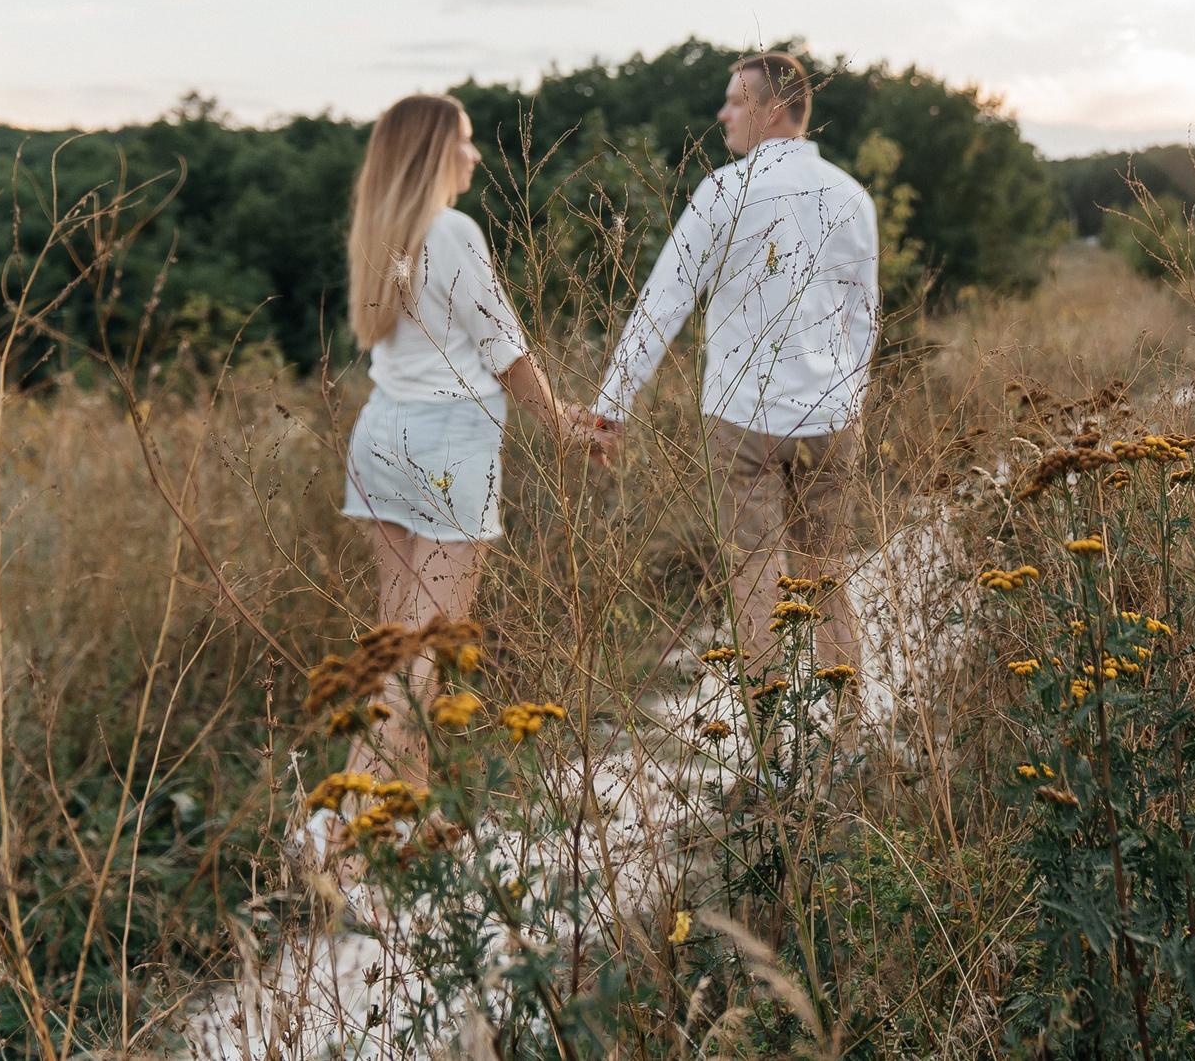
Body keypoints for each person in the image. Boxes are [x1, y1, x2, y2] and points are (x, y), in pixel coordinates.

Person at [336, 93, 609, 791]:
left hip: (382, 437)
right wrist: (557, 423)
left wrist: (559, 412)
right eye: (462, 140)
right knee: (427, 652)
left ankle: (393, 830)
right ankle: (336, 837)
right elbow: (502, 345)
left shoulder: (380, 231)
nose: (474, 153)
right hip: (447, 443)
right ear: (431, 151)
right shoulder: (451, 228)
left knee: (396, 645)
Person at [596, 52, 880, 682]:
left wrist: (611, 408)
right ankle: (848, 751)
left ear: (772, 109)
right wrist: (848, 396)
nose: (722, 113)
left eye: (734, 100)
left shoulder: (723, 191)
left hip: (743, 420)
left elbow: (664, 303)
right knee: (825, 574)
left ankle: (773, 757)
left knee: (752, 575)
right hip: (830, 418)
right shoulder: (851, 195)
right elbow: (865, 317)